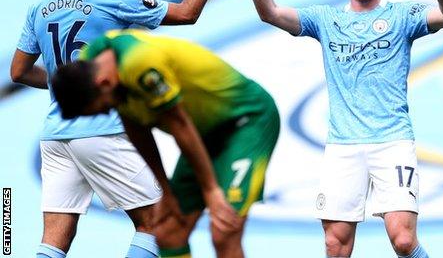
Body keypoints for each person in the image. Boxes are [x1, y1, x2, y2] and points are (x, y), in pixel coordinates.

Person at [10, 0, 236, 258]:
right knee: (160, 223)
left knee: (54, 241)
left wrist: (64, 86)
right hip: (102, 128)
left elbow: (18, 71)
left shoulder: (39, 7)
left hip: (56, 136)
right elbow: (188, 13)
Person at [242, 0, 443, 258]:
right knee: (335, 245)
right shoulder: (325, 20)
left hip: (392, 140)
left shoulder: (402, 16)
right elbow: (269, 13)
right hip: (343, 146)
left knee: (403, 241)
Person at [51, 29, 280, 258]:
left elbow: (179, 124)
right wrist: (166, 192)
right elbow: (136, 127)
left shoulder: (140, 65)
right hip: (205, 132)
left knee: (224, 228)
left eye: (104, 107)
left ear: (104, 83)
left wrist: (211, 191)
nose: (107, 111)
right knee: (168, 231)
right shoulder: (93, 62)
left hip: (247, 121)